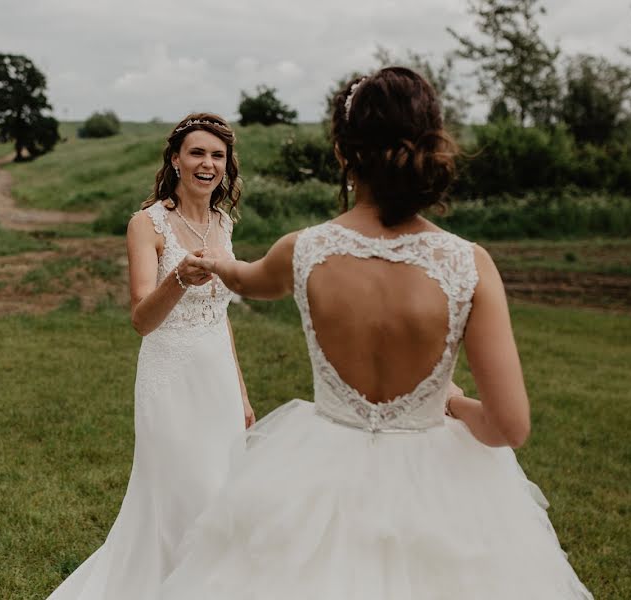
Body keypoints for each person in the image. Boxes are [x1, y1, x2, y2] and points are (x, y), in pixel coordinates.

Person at [160, 69, 592, 599]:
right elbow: (508, 427)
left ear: (344, 153)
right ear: (433, 145)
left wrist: (214, 263)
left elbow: (246, 277)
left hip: (318, 474)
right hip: (439, 488)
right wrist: (452, 403)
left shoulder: (305, 250)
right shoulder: (467, 264)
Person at [47, 113, 255, 599]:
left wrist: (242, 394)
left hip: (218, 382)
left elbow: (221, 317)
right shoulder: (148, 224)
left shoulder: (223, 224)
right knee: (184, 493)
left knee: (221, 493)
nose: (207, 164)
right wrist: (179, 277)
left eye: (217, 156)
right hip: (170, 378)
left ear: (227, 167)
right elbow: (142, 318)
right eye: (197, 153)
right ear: (175, 160)